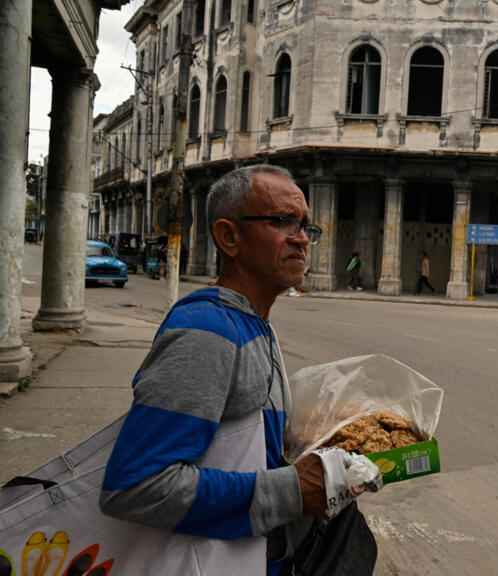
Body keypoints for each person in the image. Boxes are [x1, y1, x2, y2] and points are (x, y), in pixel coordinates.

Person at [99, 165, 378, 575]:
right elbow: (135, 487)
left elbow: (244, 449)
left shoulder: (253, 323)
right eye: (283, 222)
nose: (301, 238)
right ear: (229, 236)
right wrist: (294, 491)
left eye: (304, 226)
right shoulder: (207, 331)